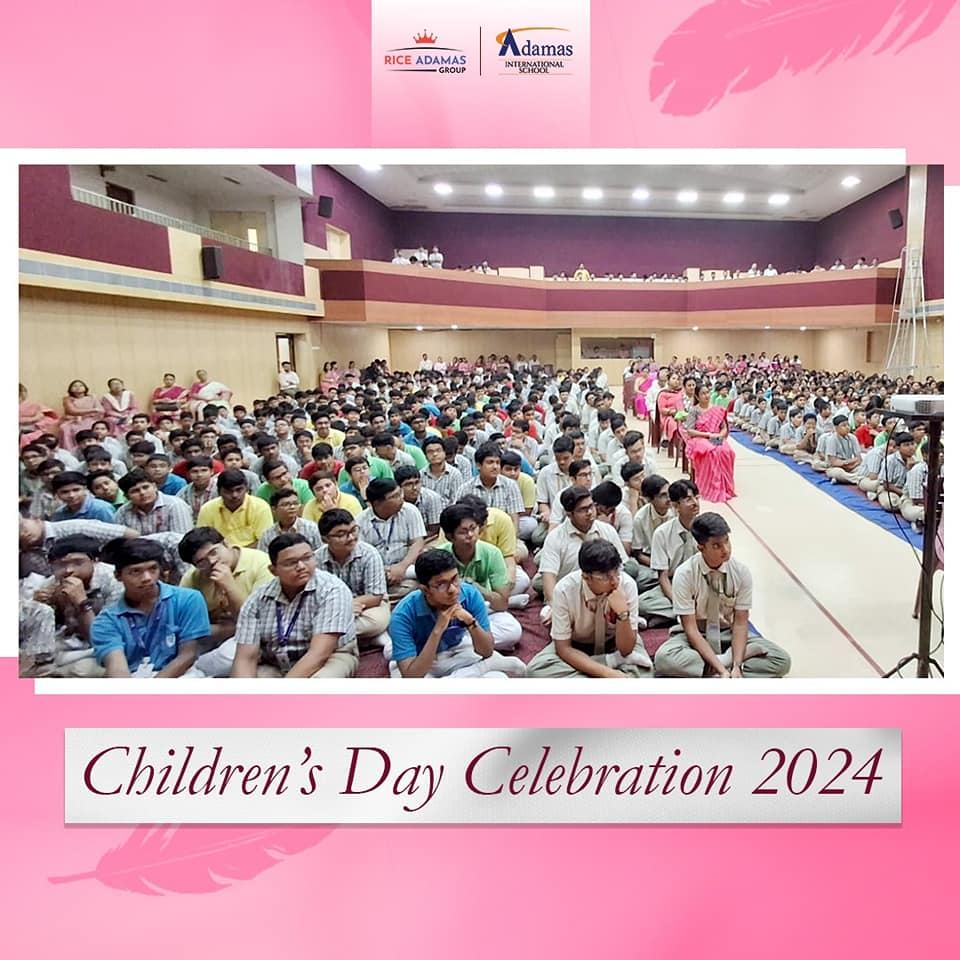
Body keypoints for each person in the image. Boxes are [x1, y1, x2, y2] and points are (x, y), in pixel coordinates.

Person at [654, 513, 791, 678]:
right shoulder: (685, 574)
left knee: (781, 660)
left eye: (727, 541)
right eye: (716, 546)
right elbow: (691, 630)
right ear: (701, 547)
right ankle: (724, 662)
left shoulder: (740, 572)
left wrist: (737, 665)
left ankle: (713, 670)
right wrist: (722, 668)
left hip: (728, 633)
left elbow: (740, 623)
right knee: (664, 658)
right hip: (697, 635)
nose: (725, 550)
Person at [230, 533, 359, 678]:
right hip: (274, 662)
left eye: (307, 558)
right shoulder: (258, 599)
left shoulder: (332, 590)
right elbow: (245, 658)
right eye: (290, 563)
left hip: (329, 657)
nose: (301, 566)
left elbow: (319, 654)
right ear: (273, 570)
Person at [387, 549, 526, 679]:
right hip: (419, 658)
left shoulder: (469, 594)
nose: (453, 589)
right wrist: (438, 629)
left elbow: (487, 651)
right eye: (442, 584)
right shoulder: (402, 615)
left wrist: (470, 622)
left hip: (458, 649)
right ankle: (482, 669)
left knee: (500, 677)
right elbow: (412, 676)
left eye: (454, 579)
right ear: (425, 590)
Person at [526, 540, 653, 678]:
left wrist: (623, 614)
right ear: (586, 577)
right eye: (605, 577)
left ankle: (587, 677)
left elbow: (626, 649)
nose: (614, 581)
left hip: (614, 643)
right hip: (577, 646)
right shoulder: (564, 590)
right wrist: (609, 673)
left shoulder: (627, 585)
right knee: (536, 670)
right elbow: (564, 648)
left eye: (617, 572)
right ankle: (612, 663)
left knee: (645, 672)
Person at [90, 538, 209, 677]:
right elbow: (117, 667)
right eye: (136, 571)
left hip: (179, 674)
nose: (147, 578)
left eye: (153, 569)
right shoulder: (106, 620)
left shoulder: (188, 599)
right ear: (118, 576)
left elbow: (188, 655)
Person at [178, 527, 275, 674]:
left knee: (227, 658)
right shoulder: (193, 577)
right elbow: (185, 624)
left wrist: (229, 586)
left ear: (226, 543)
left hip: (254, 635)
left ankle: (195, 670)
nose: (212, 561)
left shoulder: (261, 563)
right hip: (214, 634)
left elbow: (261, 621)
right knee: (179, 648)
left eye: (213, 552)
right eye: (201, 561)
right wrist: (223, 630)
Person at [26, 535, 125, 677]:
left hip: (110, 646)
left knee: (80, 670)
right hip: (71, 643)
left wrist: (81, 602)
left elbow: (103, 638)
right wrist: (40, 607)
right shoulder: (52, 583)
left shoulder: (115, 582)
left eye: (78, 563)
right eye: (60, 565)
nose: (68, 570)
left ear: (95, 561)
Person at [436, 503, 522, 651]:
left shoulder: (492, 553)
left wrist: (475, 588)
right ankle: (471, 644)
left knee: (512, 630)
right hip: (447, 613)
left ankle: (458, 645)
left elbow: (502, 604)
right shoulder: (440, 556)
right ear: (450, 537)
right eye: (463, 532)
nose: (470, 535)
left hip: (482, 609)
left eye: (473, 528)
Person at [315, 509, 390, 647]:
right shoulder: (316, 559)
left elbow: (375, 596)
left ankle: (326, 639)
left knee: (377, 621)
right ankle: (365, 639)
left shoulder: (369, 554)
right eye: (341, 534)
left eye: (353, 530)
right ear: (325, 539)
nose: (351, 537)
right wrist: (343, 607)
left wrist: (350, 606)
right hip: (331, 609)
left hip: (366, 607)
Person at [357, 478, 426, 598]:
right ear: (377, 503)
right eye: (395, 496)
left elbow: (417, 543)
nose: (401, 498)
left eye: (400, 493)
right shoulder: (360, 522)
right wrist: (384, 572)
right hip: (376, 573)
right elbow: (362, 556)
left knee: (415, 586)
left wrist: (401, 567)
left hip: (406, 568)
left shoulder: (410, 511)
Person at [683, 381, 736, 502]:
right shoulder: (694, 411)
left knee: (727, 452)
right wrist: (708, 435)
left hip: (716, 437)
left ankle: (725, 486)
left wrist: (720, 435)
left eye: (707, 392)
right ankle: (711, 487)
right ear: (697, 397)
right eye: (703, 393)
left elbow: (724, 427)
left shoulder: (717, 409)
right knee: (711, 452)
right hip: (700, 438)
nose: (706, 395)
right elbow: (690, 431)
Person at [197, 469, 274, 548]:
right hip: (218, 553)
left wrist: (236, 553)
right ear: (219, 492)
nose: (234, 495)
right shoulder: (207, 509)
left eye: (239, 490)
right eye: (228, 491)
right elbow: (203, 541)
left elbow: (264, 541)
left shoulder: (260, 507)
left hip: (252, 553)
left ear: (246, 489)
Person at [115, 469, 194, 535]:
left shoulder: (175, 505)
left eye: (145, 487)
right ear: (127, 497)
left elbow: (182, 539)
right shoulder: (123, 512)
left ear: (155, 487)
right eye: (135, 491)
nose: (142, 493)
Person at [50, 471, 118, 523]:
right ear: (57, 494)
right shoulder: (59, 514)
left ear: (85, 489)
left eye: (76, 490)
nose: (71, 495)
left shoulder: (101, 509)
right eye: (65, 492)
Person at [877, 432, 917, 512]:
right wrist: (903, 493)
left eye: (912, 444)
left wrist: (910, 470)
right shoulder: (890, 460)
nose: (911, 448)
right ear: (898, 447)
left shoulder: (915, 460)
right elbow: (886, 485)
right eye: (906, 445)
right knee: (891, 503)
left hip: (905, 491)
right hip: (889, 490)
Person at [60, 380, 101, 451]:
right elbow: (72, 411)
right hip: (72, 419)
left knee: (94, 426)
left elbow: (101, 410)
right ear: (70, 389)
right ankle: (70, 450)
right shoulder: (68, 399)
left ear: (85, 388)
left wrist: (92, 414)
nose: (78, 387)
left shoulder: (92, 398)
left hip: (90, 418)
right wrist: (92, 410)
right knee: (64, 428)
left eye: (81, 385)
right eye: (75, 386)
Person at [824, 414, 863, 484]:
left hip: (851, 467)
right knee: (838, 473)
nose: (847, 427)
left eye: (848, 425)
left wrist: (851, 465)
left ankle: (844, 479)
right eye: (843, 425)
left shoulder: (853, 438)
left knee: (863, 469)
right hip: (836, 468)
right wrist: (848, 462)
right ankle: (857, 479)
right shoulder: (831, 439)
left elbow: (859, 459)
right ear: (836, 428)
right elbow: (834, 462)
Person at [19, 383, 59, 449]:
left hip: (35, 426)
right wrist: (33, 419)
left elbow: (41, 414)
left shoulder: (31, 405)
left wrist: (35, 419)